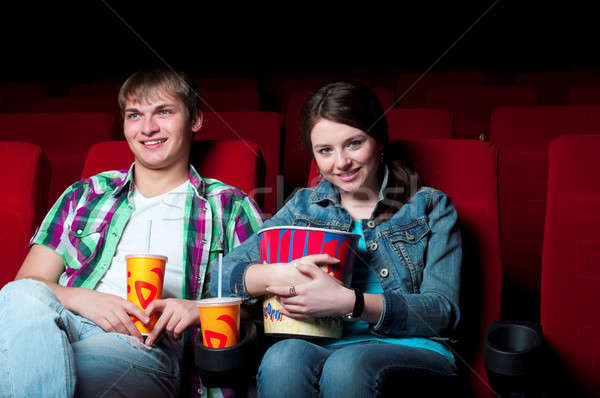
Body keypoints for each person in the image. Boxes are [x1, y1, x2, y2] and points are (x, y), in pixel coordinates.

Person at [0, 66, 263, 398]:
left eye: (164, 112)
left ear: (195, 119)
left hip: (144, 345)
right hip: (59, 326)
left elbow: (266, 306)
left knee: (20, 366)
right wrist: (88, 301)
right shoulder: (86, 193)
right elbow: (28, 284)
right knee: (16, 297)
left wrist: (198, 310)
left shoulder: (228, 205)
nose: (148, 128)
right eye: (135, 115)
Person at [221, 80, 462, 397]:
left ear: (378, 140)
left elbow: (443, 311)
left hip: (413, 348)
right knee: (282, 359)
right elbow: (223, 275)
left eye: (353, 143)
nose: (341, 163)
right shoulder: (303, 207)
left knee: (347, 366)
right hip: (325, 342)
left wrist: (351, 302)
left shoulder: (430, 206)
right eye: (325, 151)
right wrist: (279, 274)